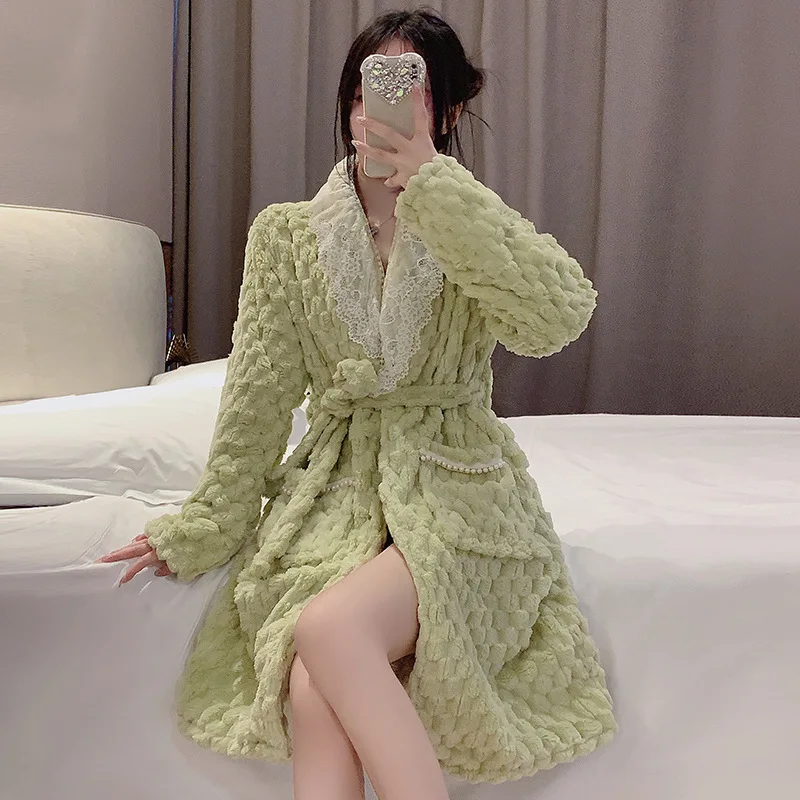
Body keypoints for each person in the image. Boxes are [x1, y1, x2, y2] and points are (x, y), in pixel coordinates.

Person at [99, 9, 616, 800]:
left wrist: (436, 188)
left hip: (458, 496)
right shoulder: (287, 236)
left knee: (328, 628)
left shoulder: (470, 224)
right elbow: (258, 400)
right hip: (336, 496)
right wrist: (205, 524)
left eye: (412, 88)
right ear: (348, 103)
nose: (381, 108)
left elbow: (558, 317)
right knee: (313, 684)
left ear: (446, 110)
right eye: (369, 87)